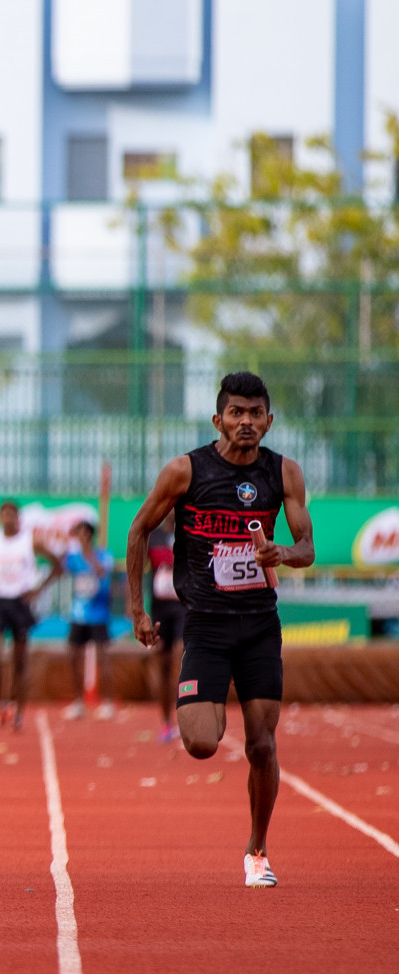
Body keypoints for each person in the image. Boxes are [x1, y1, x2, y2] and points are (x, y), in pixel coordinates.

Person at [125, 371, 314, 888]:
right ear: (218, 419)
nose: (246, 422)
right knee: (203, 744)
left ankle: (257, 850)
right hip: (205, 627)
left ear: (269, 421)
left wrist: (283, 554)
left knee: (262, 746)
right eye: (237, 412)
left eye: (256, 414)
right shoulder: (186, 471)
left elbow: (307, 548)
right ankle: (210, 704)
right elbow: (138, 529)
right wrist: (138, 610)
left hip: (259, 626)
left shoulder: (285, 474)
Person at [0, 500, 63, 731]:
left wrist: (39, 589)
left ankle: (18, 711)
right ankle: (2, 701)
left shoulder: (29, 540)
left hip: (20, 602)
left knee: (20, 662)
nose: (8, 518)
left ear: (18, 517)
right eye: (4, 513)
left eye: (12, 514)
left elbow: (57, 564)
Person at [63, 518, 116, 720]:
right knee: (73, 657)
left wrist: (88, 553)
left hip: (99, 614)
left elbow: (102, 571)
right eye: (80, 534)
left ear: (91, 535)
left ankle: (108, 701)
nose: (82, 538)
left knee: (103, 658)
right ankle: (78, 702)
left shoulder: (103, 555)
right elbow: (60, 567)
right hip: (78, 614)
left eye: (86, 534)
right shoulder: (72, 557)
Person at [147, 510, 184, 742]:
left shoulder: (189, 534)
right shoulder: (154, 537)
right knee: (163, 665)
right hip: (160, 607)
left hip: (183, 606)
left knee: (181, 658)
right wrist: (136, 607)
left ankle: (186, 717)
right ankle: (166, 721)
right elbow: (141, 567)